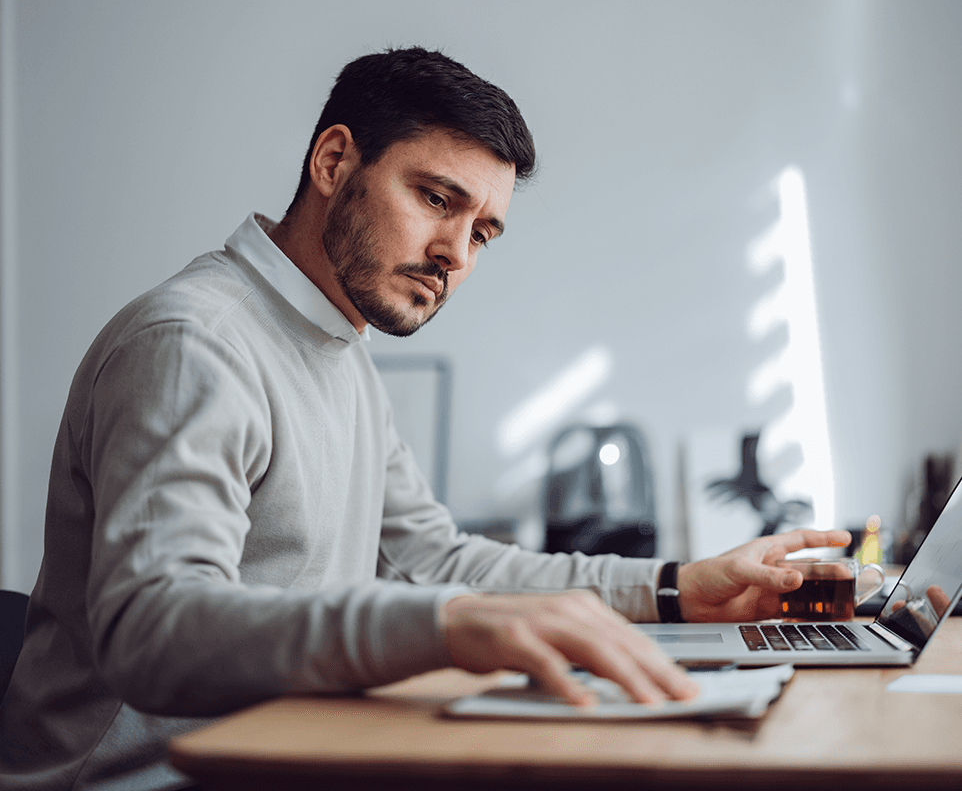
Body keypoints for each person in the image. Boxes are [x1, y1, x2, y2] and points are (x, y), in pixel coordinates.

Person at [0, 47, 849, 791]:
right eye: (437, 198)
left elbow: (429, 561)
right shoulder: (196, 343)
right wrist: (446, 626)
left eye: (483, 232)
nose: (455, 254)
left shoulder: (336, 349)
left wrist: (672, 588)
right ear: (335, 160)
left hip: (269, 754)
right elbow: (150, 626)